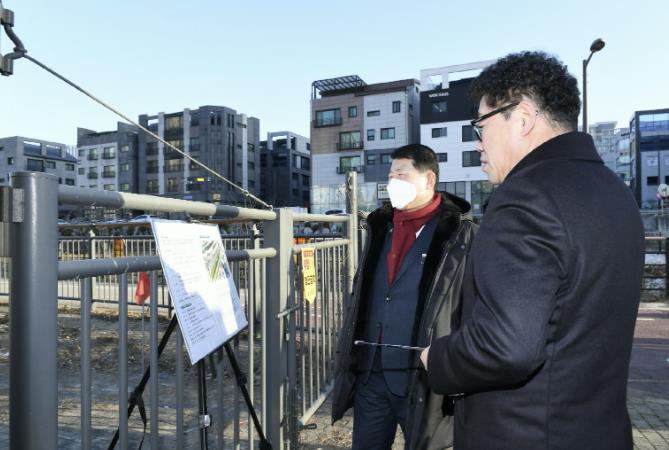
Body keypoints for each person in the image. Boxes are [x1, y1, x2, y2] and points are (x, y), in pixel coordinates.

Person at [420, 51, 644, 450]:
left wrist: (437, 359)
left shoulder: (525, 197)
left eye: (481, 125)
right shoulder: (614, 191)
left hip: (525, 434)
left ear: (522, 117)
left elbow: (504, 348)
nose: (478, 143)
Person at [332, 144, 477, 449]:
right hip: (371, 371)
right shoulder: (380, 226)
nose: (393, 181)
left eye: (402, 174)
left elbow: (470, 304)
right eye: (390, 175)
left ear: (429, 180)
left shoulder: (459, 234)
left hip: (424, 378)